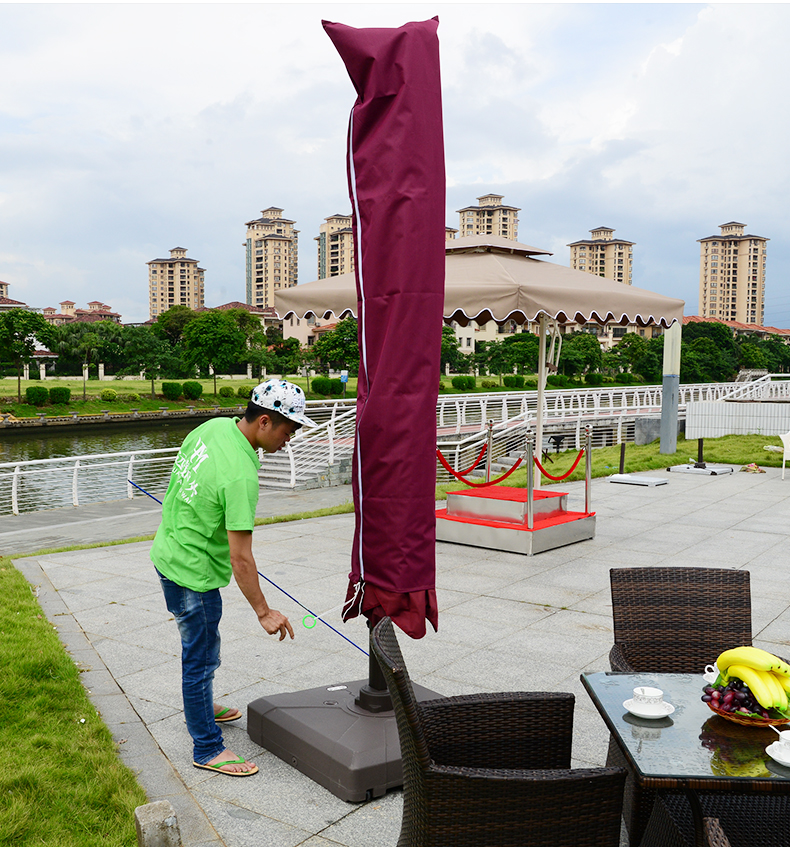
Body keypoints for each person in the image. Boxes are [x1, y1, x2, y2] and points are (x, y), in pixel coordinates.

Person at [150, 380, 317, 776]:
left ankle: (201, 704)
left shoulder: (212, 428)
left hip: (167, 555)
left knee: (200, 653)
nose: (288, 440)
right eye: (288, 430)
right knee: (200, 659)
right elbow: (241, 559)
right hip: (195, 576)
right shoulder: (241, 476)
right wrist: (263, 611)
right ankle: (207, 748)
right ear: (264, 421)